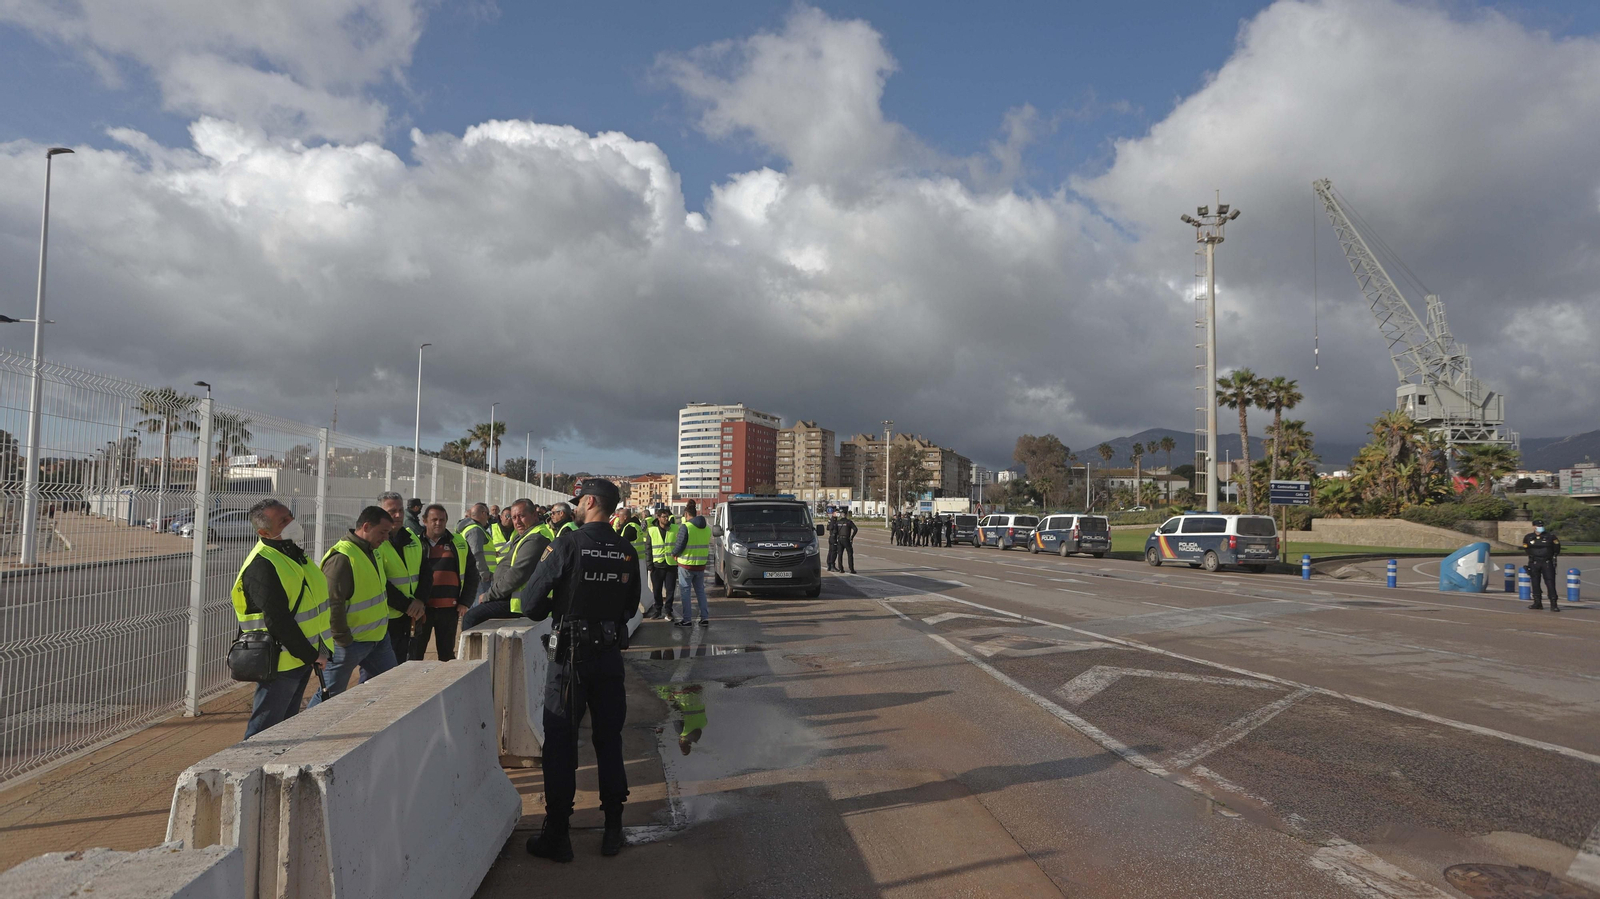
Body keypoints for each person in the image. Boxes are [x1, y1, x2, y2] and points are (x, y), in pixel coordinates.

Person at [522, 478, 640, 862]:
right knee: (609, 741)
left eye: (577, 501)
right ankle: (613, 830)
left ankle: (558, 835)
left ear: (589, 502)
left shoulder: (568, 542)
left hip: (570, 660)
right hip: (608, 657)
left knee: (560, 743)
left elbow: (530, 603)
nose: (573, 507)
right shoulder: (625, 549)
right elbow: (631, 604)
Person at [233, 499, 330, 738]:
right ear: (264, 532)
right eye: (283, 521)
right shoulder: (263, 564)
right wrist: (311, 654)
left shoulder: (290, 553)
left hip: (299, 657)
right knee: (264, 731)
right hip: (280, 662)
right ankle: (248, 770)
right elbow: (278, 621)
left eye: (290, 516)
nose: (292, 523)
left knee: (285, 727)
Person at [310, 505, 399, 706]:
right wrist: (343, 639)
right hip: (350, 644)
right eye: (383, 532)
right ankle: (307, 733)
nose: (386, 538)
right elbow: (332, 603)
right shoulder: (342, 557)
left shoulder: (372, 550)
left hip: (377, 638)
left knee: (393, 684)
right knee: (329, 696)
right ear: (366, 526)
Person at [460, 498, 547, 629]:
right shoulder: (526, 534)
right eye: (514, 517)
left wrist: (490, 595)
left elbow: (517, 573)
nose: (517, 521)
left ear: (534, 515)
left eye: (522, 516)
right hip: (511, 597)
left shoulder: (536, 538)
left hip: (518, 603)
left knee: (471, 618)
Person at [410, 503, 478, 660]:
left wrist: (465, 602)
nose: (438, 523)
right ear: (424, 520)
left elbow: (472, 574)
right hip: (422, 610)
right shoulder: (414, 544)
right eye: (434, 519)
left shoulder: (458, 543)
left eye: (442, 520)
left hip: (449, 611)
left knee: (446, 655)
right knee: (415, 654)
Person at [377, 492, 426, 664]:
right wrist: (407, 605)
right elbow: (379, 582)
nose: (397, 515)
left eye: (400, 510)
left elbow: (425, 572)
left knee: (406, 666)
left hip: (412, 616)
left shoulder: (413, 538)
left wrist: (419, 601)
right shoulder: (375, 543)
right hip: (385, 619)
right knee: (378, 673)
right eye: (392, 511)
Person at [672, 500, 711, 627]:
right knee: (700, 591)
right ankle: (704, 618)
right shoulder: (706, 528)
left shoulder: (686, 527)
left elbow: (680, 544)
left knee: (685, 592)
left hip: (686, 565)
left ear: (686, 515)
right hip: (700, 564)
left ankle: (687, 619)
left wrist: (674, 554)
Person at [644, 506, 678, 619]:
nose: (666, 519)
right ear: (658, 518)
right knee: (657, 590)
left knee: (670, 590)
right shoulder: (652, 530)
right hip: (657, 565)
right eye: (664, 517)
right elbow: (648, 548)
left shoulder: (675, 528)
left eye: (667, 517)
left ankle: (668, 611)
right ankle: (658, 610)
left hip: (671, 565)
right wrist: (649, 565)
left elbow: (679, 544)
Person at [459, 502, 497, 602]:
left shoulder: (472, 528)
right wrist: (484, 573)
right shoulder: (475, 530)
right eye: (488, 514)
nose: (488, 517)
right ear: (483, 514)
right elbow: (476, 553)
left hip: (476, 573)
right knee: (479, 606)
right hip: (480, 576)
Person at [1522, 518, 1563, 611]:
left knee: (1550, 583)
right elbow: (1526, 548)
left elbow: (1557, 549)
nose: (1540, 527)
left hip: (1547, 562)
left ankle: (1553, 604)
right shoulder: (1528, 537)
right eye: (1538, 526)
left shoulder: (1551, 537)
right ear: (1533, 526)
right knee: (1535, 582)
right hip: (1534, 562)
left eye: (1541, 526)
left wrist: (1551, 556)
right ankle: (1537, 602)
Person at [837, 509, 858, 573]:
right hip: (846, 539)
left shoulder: (838, 522)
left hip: (840, 539)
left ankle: (841, 568)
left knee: (840, 554)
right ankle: (851, 569)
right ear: (846, 515)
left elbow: (834, 530)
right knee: (850, 554)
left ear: (841, 515)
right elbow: (855, 529)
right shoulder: (849, 522)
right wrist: (852, 537)